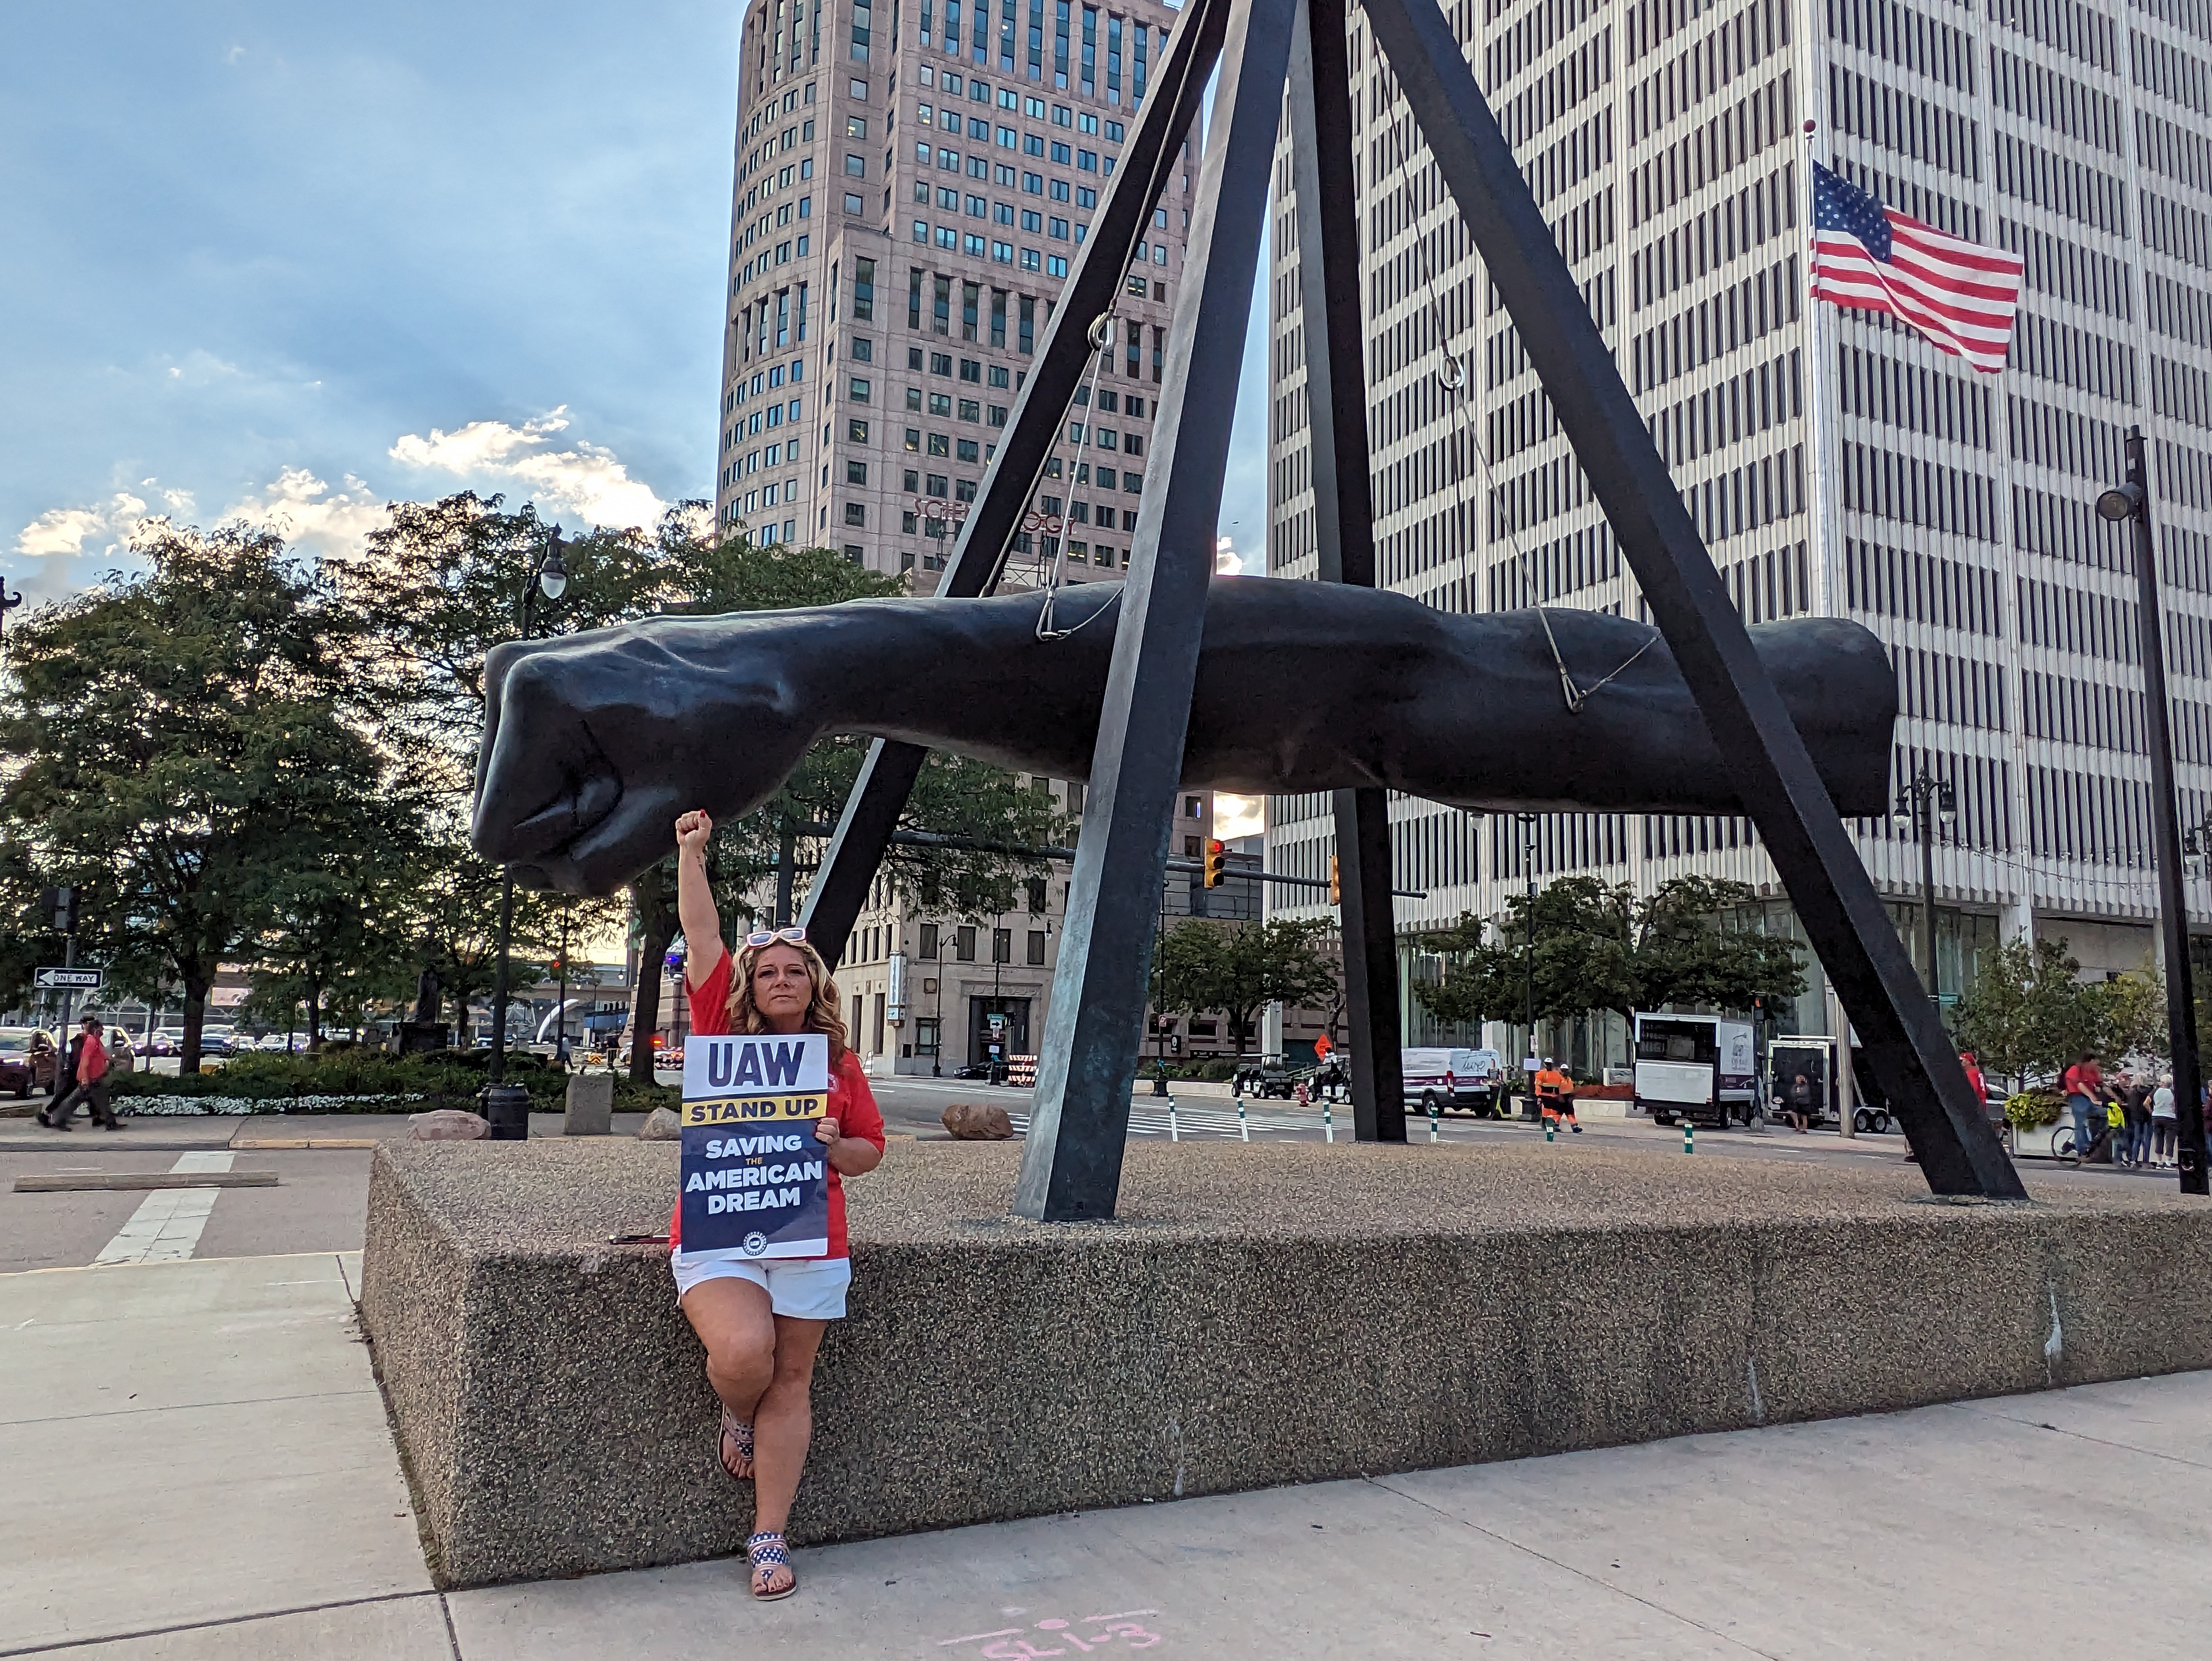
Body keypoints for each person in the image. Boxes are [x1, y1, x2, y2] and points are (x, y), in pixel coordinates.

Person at [670, 807, 885, 1602]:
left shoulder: (838, 1062)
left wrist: (832, 1145)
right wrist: (692, 855)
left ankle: (768, 1536)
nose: (782, 981)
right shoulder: (718, 1032)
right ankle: (736, 1413)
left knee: (792, 1380)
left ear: (814, 984)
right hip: (720, 1228)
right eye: (768, 973)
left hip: (810, 1235)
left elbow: (869, 1151)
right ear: (750, 987)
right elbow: (701, 937)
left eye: (795, 971)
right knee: (742, 1354)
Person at [40, 1016, 117, 1131]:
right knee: (73, 1101)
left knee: (100, 1100)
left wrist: (110, 1061)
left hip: (93, 1078)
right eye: (101, 1028)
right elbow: (85, 1061)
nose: (103, 1030)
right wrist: (85, 1078)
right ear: (95, 1029)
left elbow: (103, 1055)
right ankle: (58, 1120)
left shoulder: (95, 1040)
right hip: (89, 1078)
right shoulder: (90, 1041)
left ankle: (109, 1122)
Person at [2061, 1052, 2101, 1161]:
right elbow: (2080, 1085)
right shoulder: (2075, 1070)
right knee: (2081, 1122)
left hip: (2087, 1097)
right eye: (2095, 1062)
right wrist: (2093, 1098)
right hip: (2076, 1097)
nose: (2097, 1064)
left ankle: (2088, 1142)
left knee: (2104, 1113)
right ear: (2089, 1061)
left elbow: (2100, 1084)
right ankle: (2081, 1150)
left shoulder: (2093, 1071)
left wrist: (2115, 1097)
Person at [1533, 1058, 1581, 1133]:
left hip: (1559, 1097)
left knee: (1566, 1113)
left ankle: (1573, 1126)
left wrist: (1569, 1097)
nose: (1549, 1066)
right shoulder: (1542, 1074)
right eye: (1547, 1064)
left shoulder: (1560, 1076)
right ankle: (1550, 1125)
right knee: (1551, 1112)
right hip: (1546, 1097)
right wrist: (1539, 1097)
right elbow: (1538, 1086)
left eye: (1566, 1071)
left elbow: (1563, 1087)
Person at [2152, 1074, 2178, 1170]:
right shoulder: (2173, 1093)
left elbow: (2146, 1103)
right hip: (2169, 1117)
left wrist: (2153, 1111)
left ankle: (2160, 1161)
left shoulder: (2155, 1091)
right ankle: (2168, 1161)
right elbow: (2175, 1105)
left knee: (2158, 1138)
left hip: (2156, 1116)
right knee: (2170, 1139)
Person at [1783, 1069, 1815, 1133]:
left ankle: (1804, 1128)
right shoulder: (1795, 1087)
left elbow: (1803, 1093)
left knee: (1804, 1116)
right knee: (1793, 1113)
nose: (1798, 1080)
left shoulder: (1806, 1087)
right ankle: (1797, 1125)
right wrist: (1796, 1093)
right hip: (1798, 1104)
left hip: (1805, 1104)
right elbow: (1792, 1093)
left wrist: (1797, 1093)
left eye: (1800, 1079)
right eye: (1797, 1079)